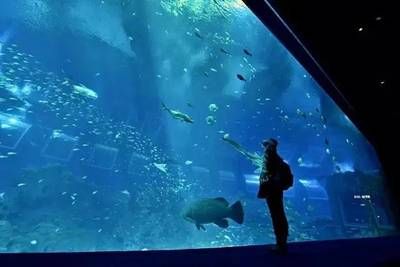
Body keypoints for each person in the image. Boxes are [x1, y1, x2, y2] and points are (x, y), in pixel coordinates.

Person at [257, 138, 290, 254]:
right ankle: (281, 243)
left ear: (271, 146)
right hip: (272, 191)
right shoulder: (274, 160)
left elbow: (273, 175)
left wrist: (272, 185)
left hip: (273, 191)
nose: (264, 148)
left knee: (278, 216)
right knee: (277, 215)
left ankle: (281, 244)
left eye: (266, 145)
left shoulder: (274, 160)